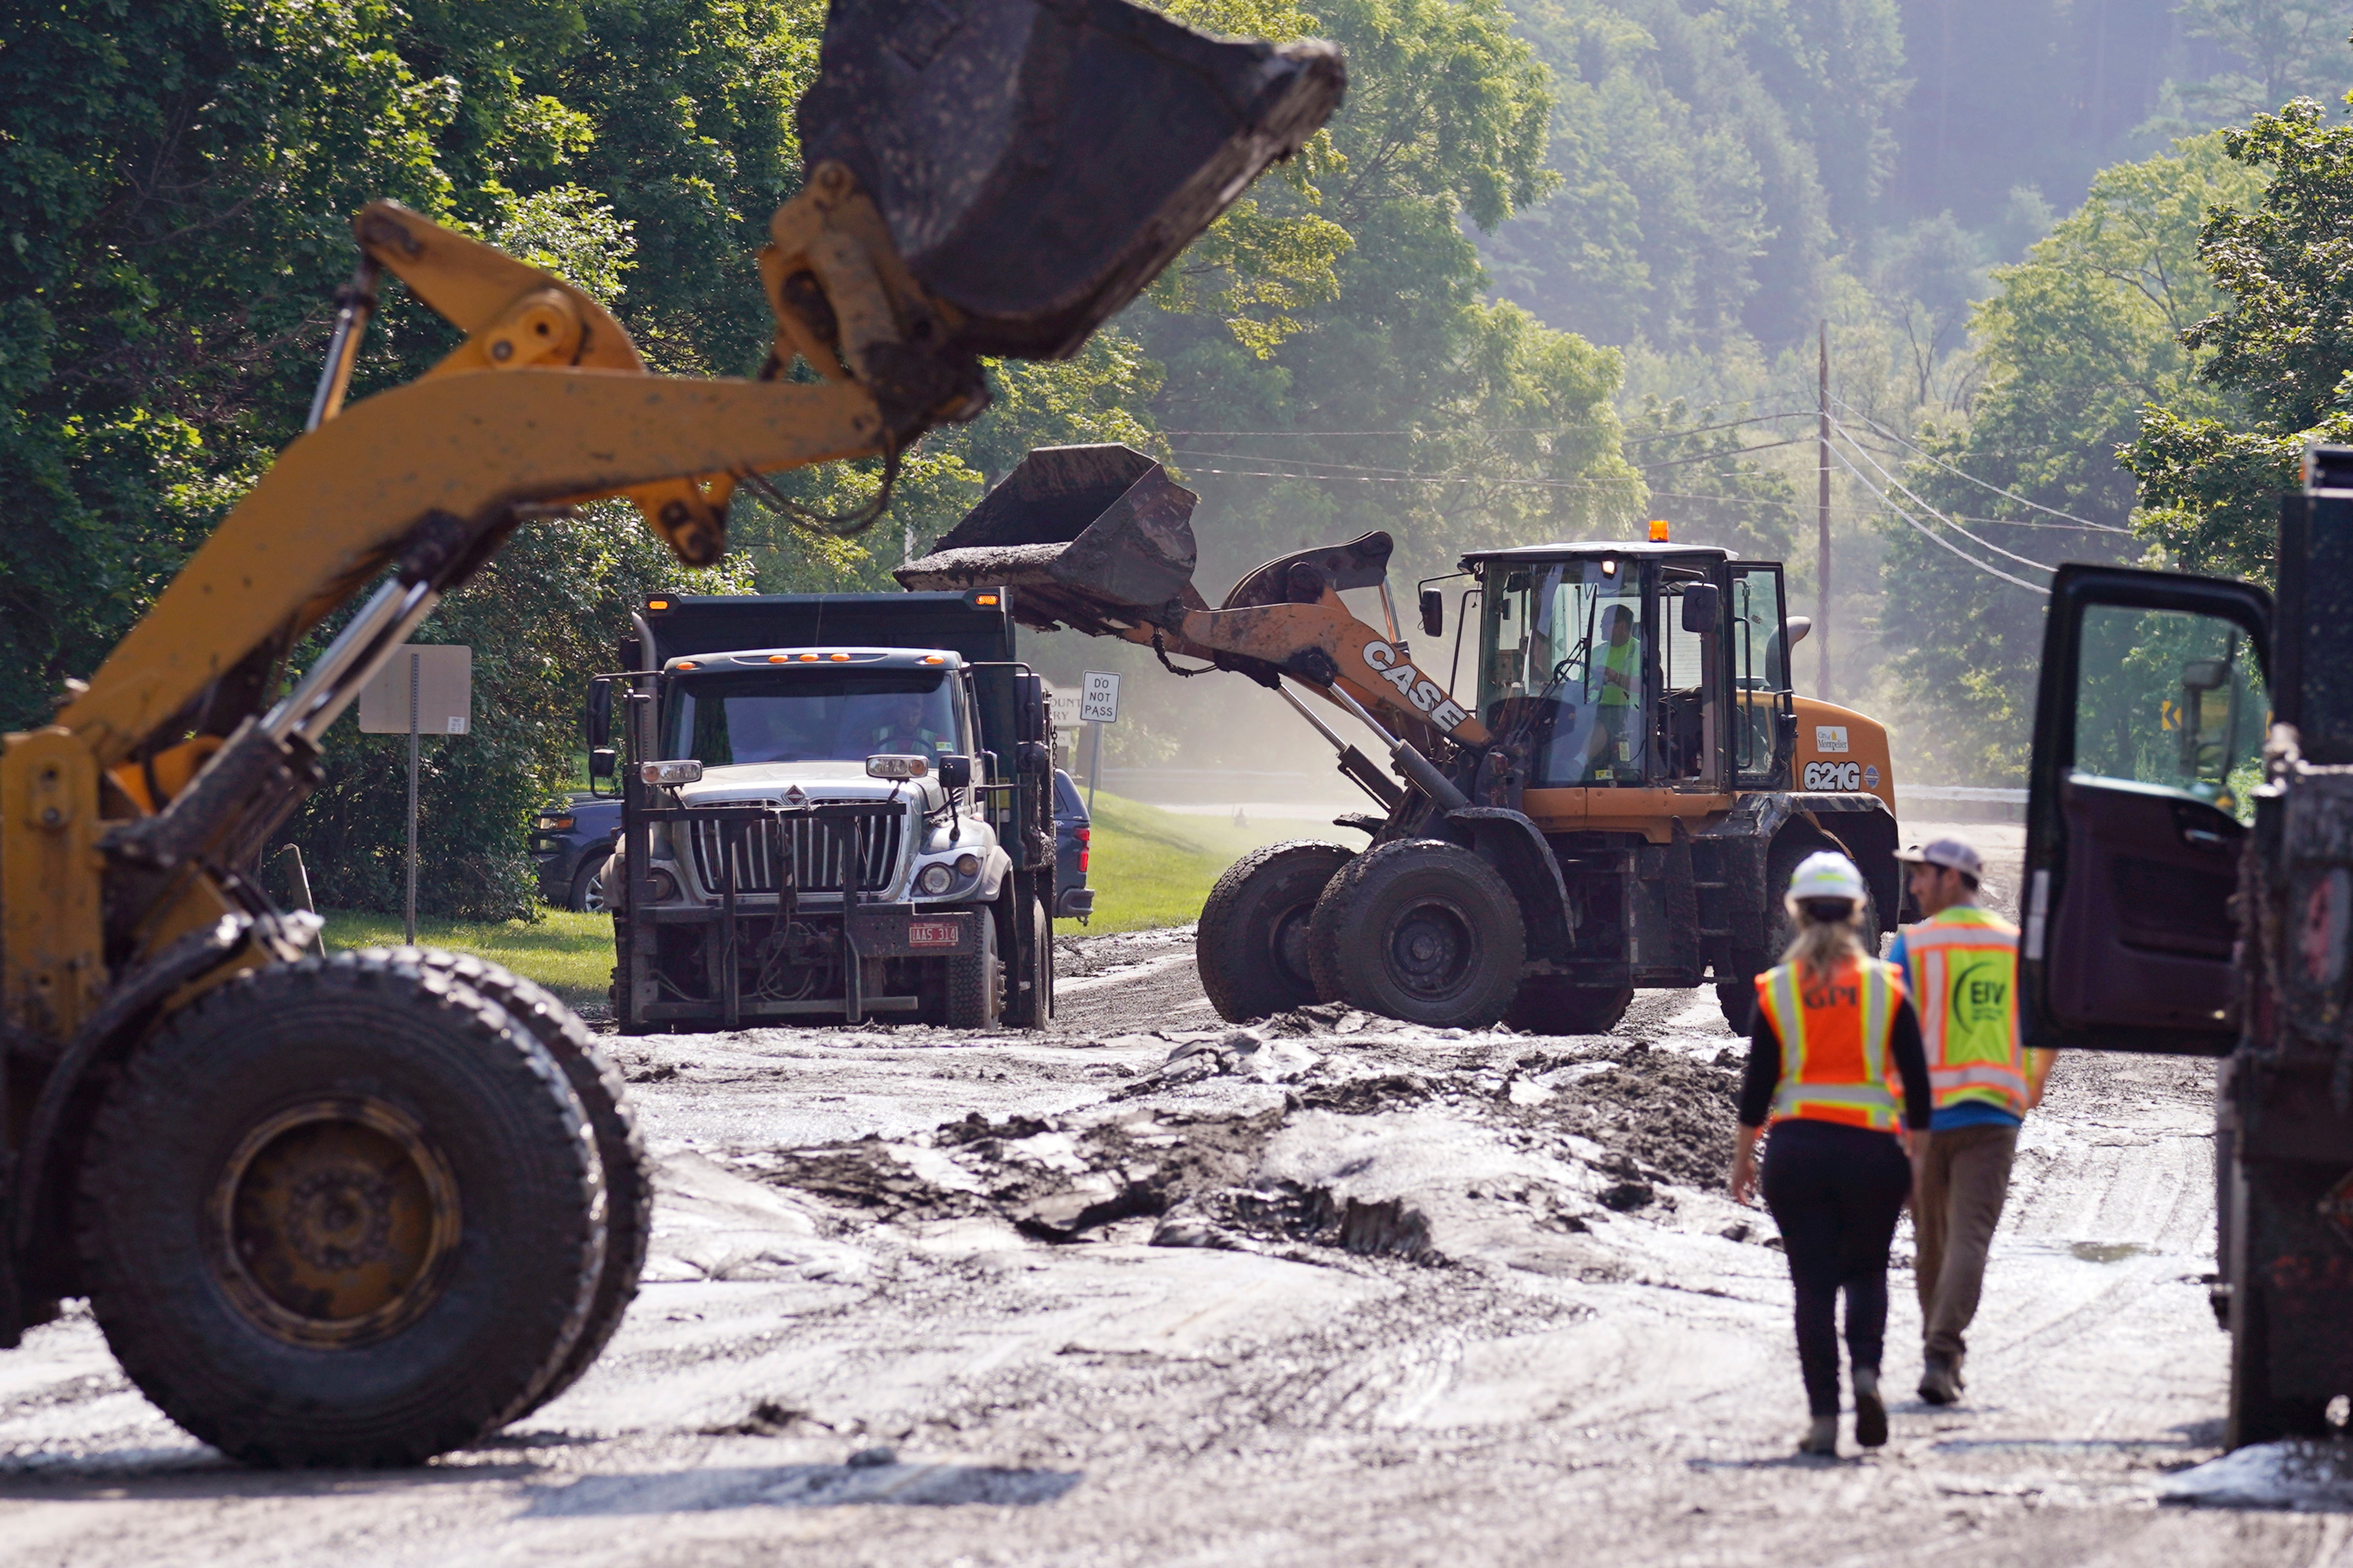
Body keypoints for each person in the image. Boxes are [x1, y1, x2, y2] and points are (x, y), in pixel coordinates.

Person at [1729, 850, 1934, 1457]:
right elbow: (1918, 1089)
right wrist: (1919, 1165)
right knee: (1867, 1269)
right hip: (1874, 1150)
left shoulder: (1777, 990)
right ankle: (1867, 1373)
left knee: (1812, 1287)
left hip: (1798, 1153)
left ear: (1793, 911)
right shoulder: (1887, 986)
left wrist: (1743, 1158)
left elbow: (1756, 1087)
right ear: (1858, 911)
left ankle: (1823, 1420)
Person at [1888, 836, 2055, 1406]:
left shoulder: (1913, 946)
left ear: (1953, 878)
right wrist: (2033, 1080)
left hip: (1925, 1117)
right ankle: (1943, 1350)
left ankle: (1938, 1348)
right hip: (1994, 1114)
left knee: (1932, 1239)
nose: (1913, 887)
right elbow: (2047, 1020)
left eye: (1921, 876)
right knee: (1968, 1237)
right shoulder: (2016, 945)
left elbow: (1884, 1027)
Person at [1586, 603, 1642, 780]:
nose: (1601, 627)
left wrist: (1615, 677)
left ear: (1622, 626)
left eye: (1606, 623)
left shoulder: (1640, 651)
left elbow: (1644, 685)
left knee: (1605, 719)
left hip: (1628, 714)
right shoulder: (1597, 652)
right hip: (1594, 708)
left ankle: (1579, 762)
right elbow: (1582, 682)